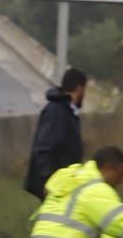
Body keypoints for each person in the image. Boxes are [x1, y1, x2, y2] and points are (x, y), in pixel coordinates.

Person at [24, 68, 88, 200]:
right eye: (84, 88)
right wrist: (48, 182)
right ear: (78, 88)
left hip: (63, 185)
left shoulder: (69, 112)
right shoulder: (56, 111)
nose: (85, 94)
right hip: (54, 187)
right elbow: (43, 148)